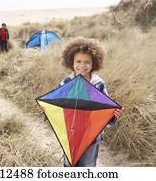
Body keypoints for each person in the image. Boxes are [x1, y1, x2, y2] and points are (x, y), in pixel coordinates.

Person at [38, 37, 124, 167]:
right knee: (69, 164)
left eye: (87, 62)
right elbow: (58, 107)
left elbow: (105, 109)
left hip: (92, 136)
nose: (82, 66)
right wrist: (46, 111)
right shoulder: (65, 83)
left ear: (94, 63)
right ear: (71, 62)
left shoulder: (98, 84)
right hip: (70, 134)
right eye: (78, 61)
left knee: (88, 165)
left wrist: (112, 115)